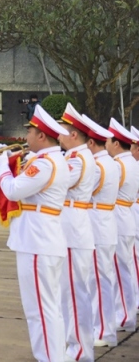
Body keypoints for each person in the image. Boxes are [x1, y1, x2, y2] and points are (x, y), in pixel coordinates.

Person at [0, 105, 70, 362]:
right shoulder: (50, 160)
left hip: (37, 241)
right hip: (43, 239)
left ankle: (50, 358)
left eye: (30, 132)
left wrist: (2, 167)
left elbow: (12, 190)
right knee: (50, 308)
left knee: (39, 310)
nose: (26, 137)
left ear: (41, 136)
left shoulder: (44, 164)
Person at [59, 103, 102, 362]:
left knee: (74, 294)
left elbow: (56, 183)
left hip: (73, 228)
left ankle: (78, 352)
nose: (58, 136)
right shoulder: (79, 157)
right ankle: (75, 347)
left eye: (62, 132)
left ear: (74, 134)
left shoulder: (77, 159)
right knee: (71, 292)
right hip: (74, 224)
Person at [83, 114, 122, 349]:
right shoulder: (109, 162)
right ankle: (105, 329)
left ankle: (103, 331)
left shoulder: (98, 166)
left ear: (90, 143)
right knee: (103, 279)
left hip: (98, 223)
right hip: (106, 222)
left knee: (98, 281)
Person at [108, 120, 139, 334]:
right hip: (125, 214)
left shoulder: (119, 165)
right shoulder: (129, 162)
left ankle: (125, 315)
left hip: (119, 216)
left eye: (108, 141)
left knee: (121, 271)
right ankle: (126, 312)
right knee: (125, 268)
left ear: (117, 143)